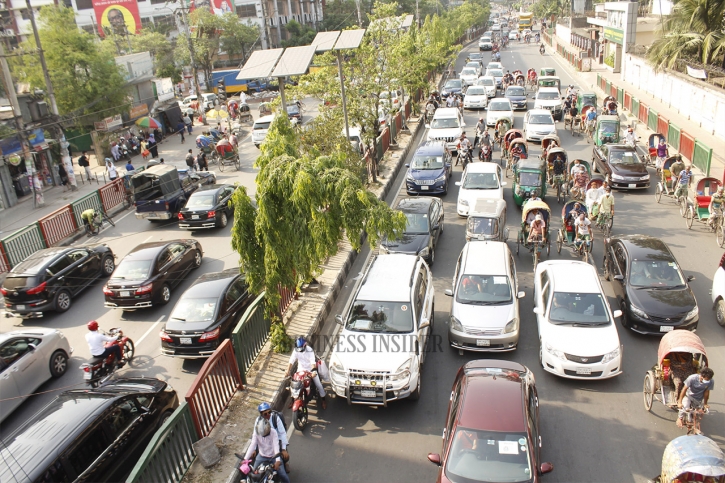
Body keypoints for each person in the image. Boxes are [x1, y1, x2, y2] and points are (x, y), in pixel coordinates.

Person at [242, 418, 290, 483]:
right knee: (253, 474)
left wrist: (277, 461)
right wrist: (245, 459)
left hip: (274, 456)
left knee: (283, 475)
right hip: (261, 456)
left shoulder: (273, 432)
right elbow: (252, 445)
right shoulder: (256, 433)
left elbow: (276, 446)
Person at [287, 337, 327, 409]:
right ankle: (292, 400)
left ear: (305, 346)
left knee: (318, 385)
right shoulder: (296, 350)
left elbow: (312, 362)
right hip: (300, 369)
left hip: (310, 370)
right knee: (294, 384)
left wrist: (313, 371)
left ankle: (323, 399)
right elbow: (291, 360)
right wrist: (287, 371)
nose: (300, 351)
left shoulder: (310, 350)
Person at [257, 402, 290, 472]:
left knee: (283, 470)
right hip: (265, 443)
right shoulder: (258, 421)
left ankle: (285, 463)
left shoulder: (275, 418)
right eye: (265, 414)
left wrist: (283, 449)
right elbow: (255, 435)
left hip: (277, 442)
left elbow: (282, 433)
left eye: (269, 412)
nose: (268, 415)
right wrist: (253, 449)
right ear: (261, 414)